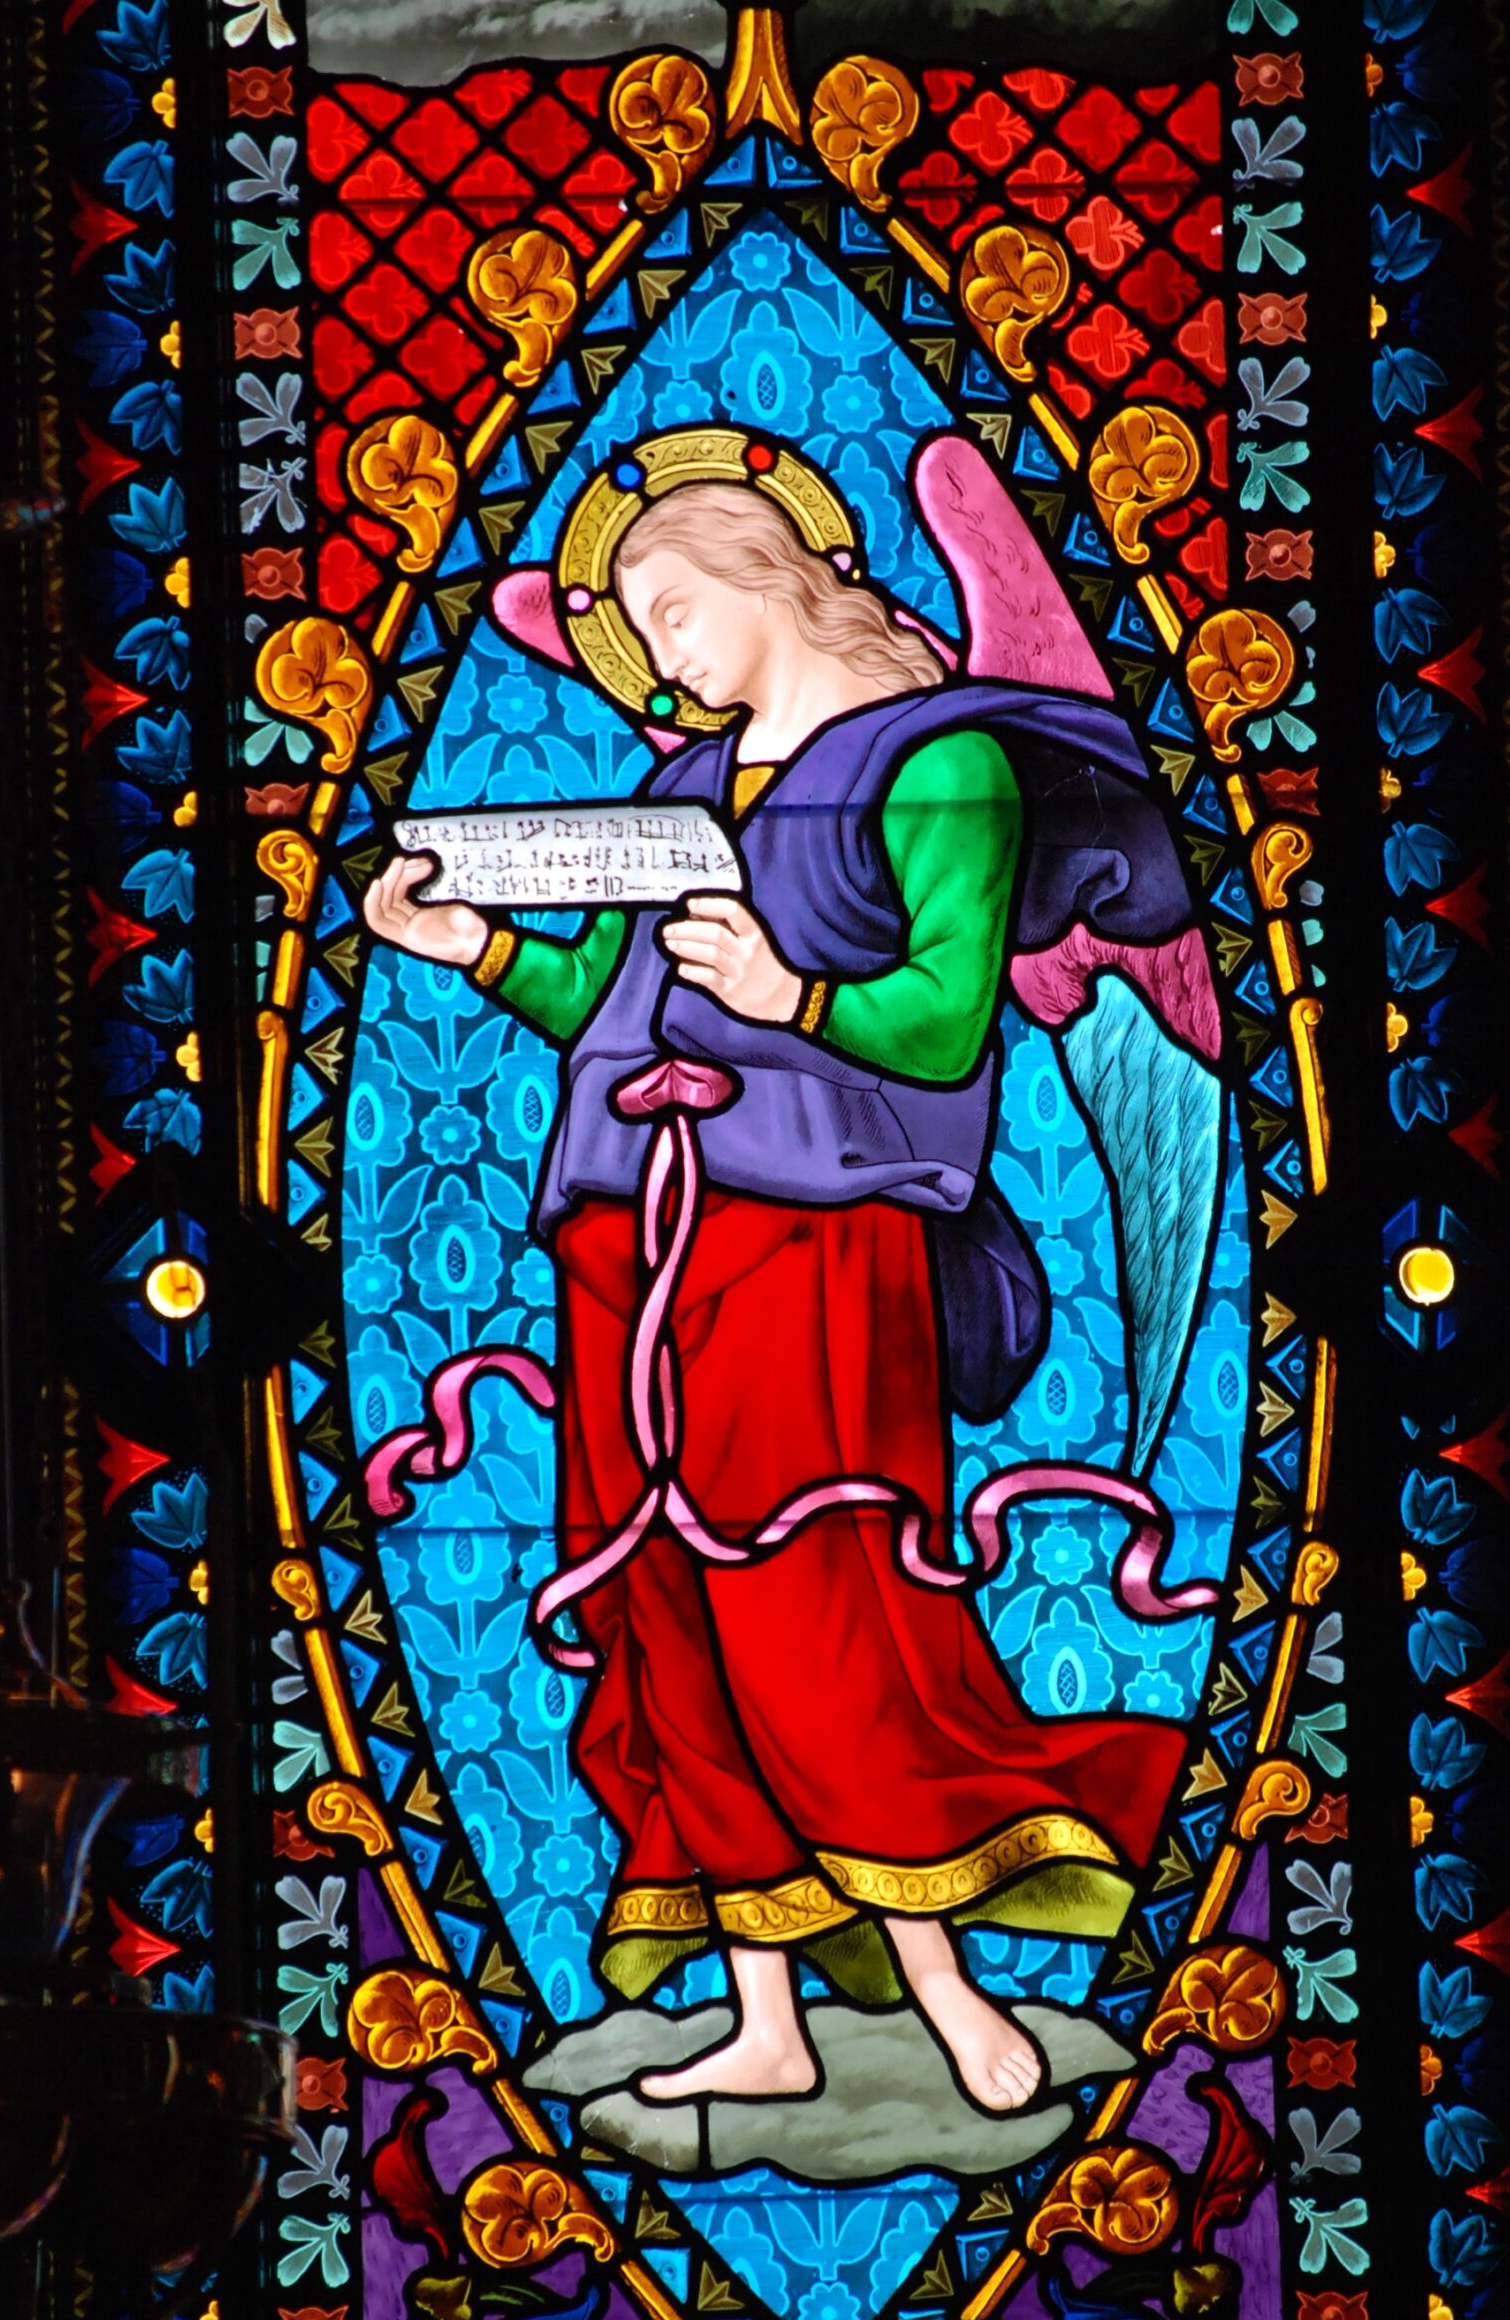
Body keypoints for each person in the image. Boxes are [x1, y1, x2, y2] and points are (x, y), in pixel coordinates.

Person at [364, 465, 1197, 2114]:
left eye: (676, 612)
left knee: (820, 1600)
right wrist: (477, 952)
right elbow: (614, 1003)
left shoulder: (940, 762)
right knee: (669, 1607)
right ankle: (765, 2017)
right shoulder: (682, 781)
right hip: (624, 1235)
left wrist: (789, 991)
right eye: (639, 628)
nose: (663, 657)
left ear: (770, 576)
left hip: (815, 1234)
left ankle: (949, 1990)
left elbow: (943, 1028)